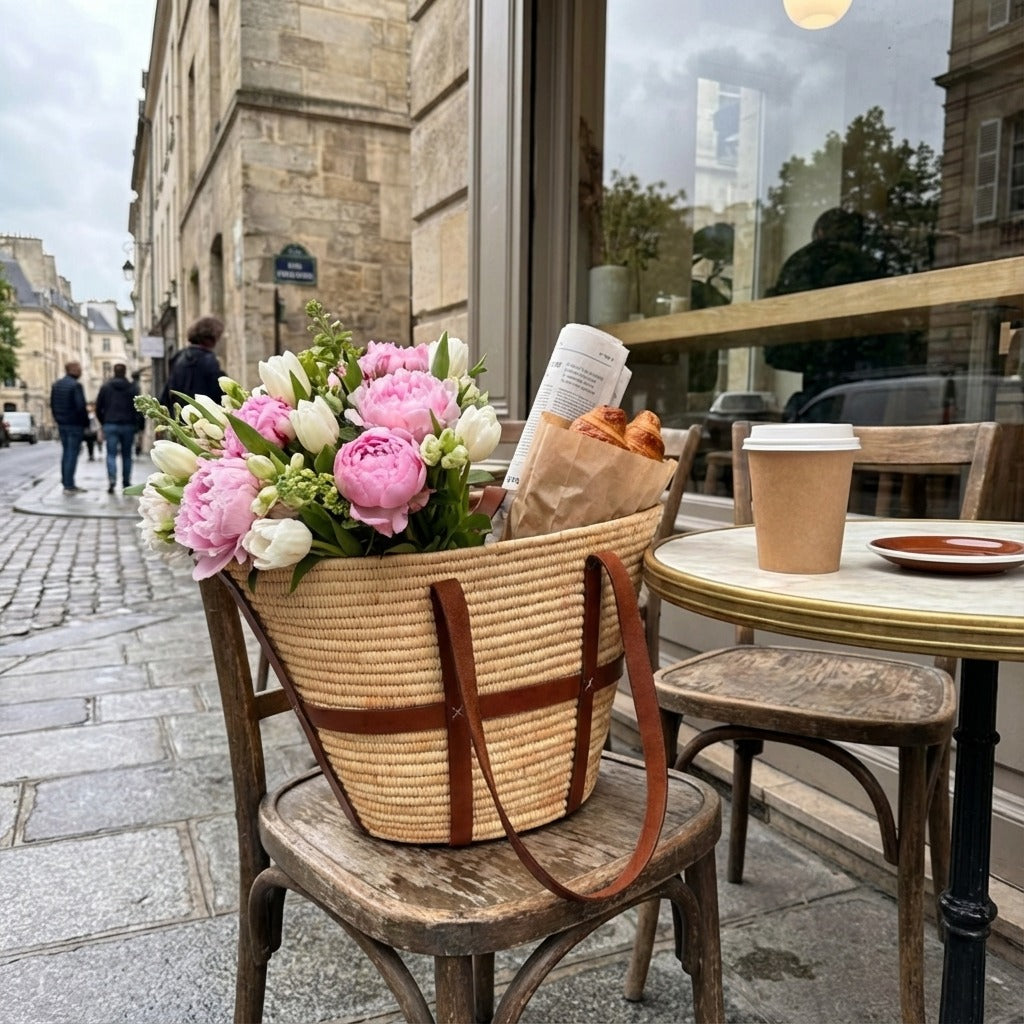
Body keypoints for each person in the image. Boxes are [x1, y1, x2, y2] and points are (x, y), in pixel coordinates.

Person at [159, 315, 225, 409]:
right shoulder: (208, 360)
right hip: (202, 417)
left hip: (180, 416)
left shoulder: (179, 357)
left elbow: (167, 394)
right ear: (211, 338)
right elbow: (218, 393)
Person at [96, 364, 141, 495]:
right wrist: (138, 425)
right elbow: (138, 407)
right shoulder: (133, 387)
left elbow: (99, 407)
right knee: (127, 455)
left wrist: (104, 421)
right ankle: (126, 482)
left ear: (114, 372)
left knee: (111, 454)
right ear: (125, 372)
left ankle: (112, 480)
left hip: (110, 424)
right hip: (128, 425)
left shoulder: (105, 387)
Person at [50, 360, 89, 495]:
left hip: (62, 424)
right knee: (72, 453)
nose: (81, 371)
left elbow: (53, 405)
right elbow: (81, 407)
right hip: (74, 424)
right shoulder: (76, 386)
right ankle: (69, 485)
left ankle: (66, 482)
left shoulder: (56, 385)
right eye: (79, 369)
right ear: (73, 370)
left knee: (66, 453)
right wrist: (86, 424)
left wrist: (58, 419)